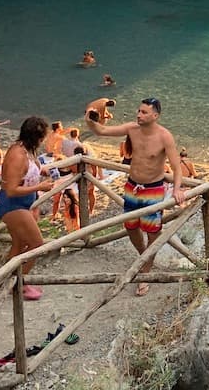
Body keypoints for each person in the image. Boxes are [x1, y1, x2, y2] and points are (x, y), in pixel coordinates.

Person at [86, 97, 187, 296]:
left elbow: (176, 166)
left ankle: (145, 270)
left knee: (152, 231)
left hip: (154, 188)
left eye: (144, 112)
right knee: (130, 227)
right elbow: (101, 131)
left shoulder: (164, 136)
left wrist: (177, 189)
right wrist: (90, 117)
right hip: (132, 186)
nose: (139, 115)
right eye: (139, 111)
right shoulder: (132, 129)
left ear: (155, 116)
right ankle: (144, 258)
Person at [0, 117, 54, 300]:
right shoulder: (17, 154)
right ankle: (19, 282)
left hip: (26, 203)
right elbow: (11, 190)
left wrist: (40, 170)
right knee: (37, 244)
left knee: (19, 244)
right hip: (13, 204)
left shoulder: (27, 150)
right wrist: (39, 187)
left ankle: (7, 277)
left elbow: (25, 172)